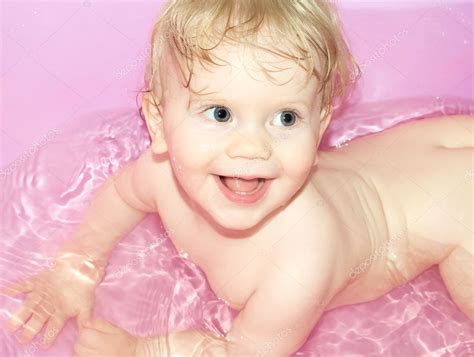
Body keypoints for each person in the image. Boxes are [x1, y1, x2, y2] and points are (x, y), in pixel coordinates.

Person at [3, 0, 473, 355]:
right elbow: (123, 198)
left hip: (456, 210)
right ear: (158, 122)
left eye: (286, 119)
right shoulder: (159, 172)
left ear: (321, 126)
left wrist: (140, 350)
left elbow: (245, 352)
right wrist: (77, 264)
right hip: (419, 151)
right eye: (221, 113)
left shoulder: (299, 265)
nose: (252, 148)